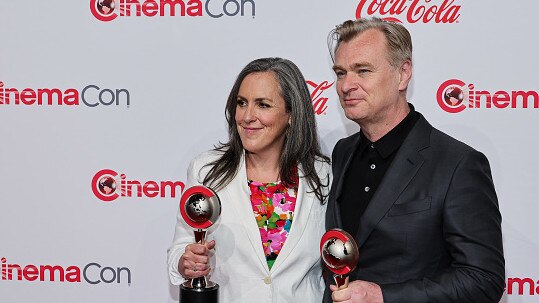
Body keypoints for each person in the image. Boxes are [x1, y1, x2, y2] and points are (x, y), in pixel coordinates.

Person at [324, 18, 505, 303]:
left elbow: (483, 280)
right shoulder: (342, 153)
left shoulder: (459, 164)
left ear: (403, 74)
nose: (347, 85)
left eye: (363, 70)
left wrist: (383, 296)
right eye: (340, 72)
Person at [167, 57, 331, 302]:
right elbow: (181, 246)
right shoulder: (207, 170)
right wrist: (185, 262)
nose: (247, 116)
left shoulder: (324, 174)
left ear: (291, 114)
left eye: (263, 105)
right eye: (241, 103)